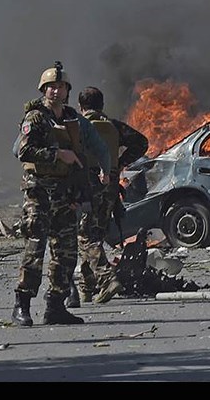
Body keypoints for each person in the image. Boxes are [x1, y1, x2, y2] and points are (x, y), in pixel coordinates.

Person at [11, 62, 105, 326]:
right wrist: (56, 155)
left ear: (67, 90)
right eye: (51, 86)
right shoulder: (35, 118)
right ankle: (23, 304)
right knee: (35, 249)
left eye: (61, 86)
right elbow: (24, 152)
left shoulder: (72, 118)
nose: (55, 91)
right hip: (39, 193)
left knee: (66, 252)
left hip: (65, 194)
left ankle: (55, 305)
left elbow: (84, 151)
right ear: (43, 89)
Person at [70, 86, 148, 306]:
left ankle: (106, 279)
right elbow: (142, 143)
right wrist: (120, 164)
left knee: (85, 237)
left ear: (80, 106)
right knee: (94, 234)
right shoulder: (113, 126)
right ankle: (87, 289)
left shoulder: (77, 126)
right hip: (109, 186)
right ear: (102, 105)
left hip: (86, 186)